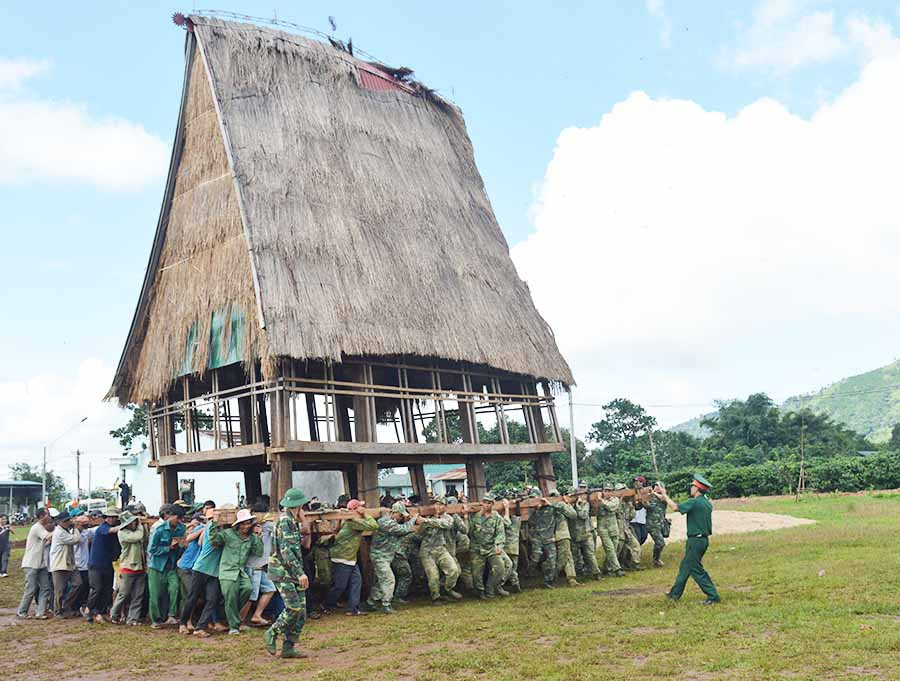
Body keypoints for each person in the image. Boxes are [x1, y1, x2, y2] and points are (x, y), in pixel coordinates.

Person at [653, 475, 721, 604]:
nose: (691, 488)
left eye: (693, 486)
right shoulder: (706, 502)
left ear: (697, 489)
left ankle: (713, 596)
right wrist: (664, 497)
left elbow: (675, 508)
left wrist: (665, 495)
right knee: (685, 567)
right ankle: (674, 594)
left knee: (696, 569)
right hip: (702, 540)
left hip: (695, 540)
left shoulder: (695, 502)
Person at [265, 488, 310, 659]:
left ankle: (288, 646)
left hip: (291, 571)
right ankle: (273, 632)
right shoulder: (286, 522)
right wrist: (300, 573)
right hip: (283, 572)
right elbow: (286, 550)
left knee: (302, 612)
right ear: (298, 505)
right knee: (293, 608)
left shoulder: (290, 520)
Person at [208, 508, 263, 634]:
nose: (246, 526)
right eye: (243, 523)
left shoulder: (252, 538)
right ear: (238, 524)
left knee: (248, 589)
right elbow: (214, 541)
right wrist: (214, 524)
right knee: (231, 597)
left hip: (241, 572)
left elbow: (258, 552)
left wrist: (259, 536)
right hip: (227, 571)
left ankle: (228, 613)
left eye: (248, 523)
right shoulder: (228, 534)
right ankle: (234, 627)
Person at [180, 506, 229, 637]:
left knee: (212, 600)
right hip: (201, 569)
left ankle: (200, 627)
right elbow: (211, 541)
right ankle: (183, 623)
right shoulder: (211, 530)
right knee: (192, 597)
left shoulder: (221, 532)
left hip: (213, 572)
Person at [324, 499, 378, 616]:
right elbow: (374, 525)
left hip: (349, 557)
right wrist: (365, 514)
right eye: (359, 507)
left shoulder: (348, 519)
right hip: (343, 557)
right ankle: (327, 604)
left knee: (356, 582)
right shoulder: (353, 522)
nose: (362, 509)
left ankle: (353, 608)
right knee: (340, 586)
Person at [366, 501, 416, 613]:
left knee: (380, 580)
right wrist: (414, 518)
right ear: (395, 513)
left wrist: (407, 518)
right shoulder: (386, 522)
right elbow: (404, 529)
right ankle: (386, 604)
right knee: (388, 579)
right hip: (380, 556)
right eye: (400, 515)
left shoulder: (391, 521)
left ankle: (371, 602)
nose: (401, 517)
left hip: (387, 555)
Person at [416, 497, 462, 603]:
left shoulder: (448, 518)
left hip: (441, 549)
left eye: (441, 504)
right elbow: (420, 532)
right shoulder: (428, 517)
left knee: (453, 570)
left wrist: (427, 521)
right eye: (436, 504)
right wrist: (424, 523)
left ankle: (447, 589)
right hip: (427, 551)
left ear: (445, 507)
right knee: (433, 576)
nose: (438, 507)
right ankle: (436, 597)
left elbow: (446, 524)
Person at [147, 504, 185, 628]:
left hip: (172, 566)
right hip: (157, 567)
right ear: (170, 516)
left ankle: (172, 615)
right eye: (177, 518)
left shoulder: (181, 529)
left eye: (181, 519)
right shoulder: (159, 530)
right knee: (155, 594)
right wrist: (168, 548)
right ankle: (156, 620)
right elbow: (152, 549)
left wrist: (180, 546)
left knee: (175, 588)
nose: (179, 521)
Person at [467, 493, 509, 599]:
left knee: (500, 567)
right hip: (477, 548)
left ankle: (490, 588)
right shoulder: (475, 517)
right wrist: (465, 516)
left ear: (492, 504)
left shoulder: (496, 517)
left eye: (489, 503)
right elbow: (469, 531)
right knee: (476, 572)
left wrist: (499, 545)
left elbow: (500, 532)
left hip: (491, 547)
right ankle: (480, 592)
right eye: (484, 502)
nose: (486, 505)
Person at [109, 510, 147, 626]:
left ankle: (132, 619)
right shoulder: (122, 532)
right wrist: (141, 524)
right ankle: (114, 614)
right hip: (127, 567)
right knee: (123, 594)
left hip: (140, 566)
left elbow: (143, 538)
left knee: (138, 595)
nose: (135, 523)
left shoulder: (136, 531)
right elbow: (138, 536)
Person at [85, 508, 121, 623]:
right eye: (109, 517)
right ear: (105, 518)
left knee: (106, 589)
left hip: (107, 563)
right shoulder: (103, 528)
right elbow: (111, 530)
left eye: (114, 517)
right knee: (97, 588)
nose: (111, 519)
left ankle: (100, 612)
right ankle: (89, 609)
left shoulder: (114, 532)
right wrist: (125, 525)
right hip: (96, 563)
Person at [18, 508, 53, 619]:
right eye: (48, 515)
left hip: (40, 564)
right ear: (42, 516)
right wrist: (60, 529)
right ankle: (22, 611)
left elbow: (46, 541)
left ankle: (40, 612)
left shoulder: (41, 528)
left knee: (45, 588)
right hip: (31, 564)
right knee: (31, 589)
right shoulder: (37, 527)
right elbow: (48, 536)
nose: (49, 517)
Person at [245, 505, 277, 626]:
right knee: (251, 596)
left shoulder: (266, 525)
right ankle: (239, 622)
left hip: (260, 566)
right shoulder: (252, 527)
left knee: (270, 589)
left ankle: (256, 615)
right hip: (253, 567)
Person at [48, 511, 81, 616]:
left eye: (68, 520)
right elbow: (76, 539)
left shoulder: (65, 530)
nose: (68, 522)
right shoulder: (59, 532)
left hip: (69, 563)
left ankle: (65, 604)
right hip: (59, 564)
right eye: (65, 521)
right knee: (59, 590)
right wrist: (75, 528)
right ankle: (58, 611)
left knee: (78, 583)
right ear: (59, 522)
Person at [570, 486, 601, 581]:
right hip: (574, 535)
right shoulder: (569, 506)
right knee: (575, 557)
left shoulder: (584, 504)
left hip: (585, 534)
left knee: (590, 555)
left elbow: (583, 515)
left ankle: (596, 573)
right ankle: (579, 574)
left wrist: (578, 505)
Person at [596, 484, 625, 577]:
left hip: (613, 527)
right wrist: (600, 500)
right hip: (603, 528)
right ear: (603, 491)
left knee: (614, 548)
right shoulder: (597, 501)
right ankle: (617, 569)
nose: (607, 493)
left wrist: (602, 500)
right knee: (610, 549)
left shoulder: (615, 500)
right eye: (606, 490)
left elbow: (612, 507)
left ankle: (606, 567)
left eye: (609, 491)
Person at [500, 496, 522, 593]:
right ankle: (515, 583)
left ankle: (501, 584)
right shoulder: (517, 523)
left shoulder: (505, 522)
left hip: (506, 547)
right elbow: (518, 514)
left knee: (507, 568)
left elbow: (507, 522)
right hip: (514, 548)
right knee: (513, 568)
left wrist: (506, 508)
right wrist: (517, 504)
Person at [646, 482, 669, 567]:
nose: (657, 488)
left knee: (660, 542)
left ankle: (656, 559)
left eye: (659, 487)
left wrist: (654, 493)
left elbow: (664, 498)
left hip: (661, 524)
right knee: (660, 543)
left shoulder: (663, 497)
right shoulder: (650, 497)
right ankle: (656, 560)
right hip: (652, 525)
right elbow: (646, 505)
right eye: (656, 486)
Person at [631, 476, 649, 545]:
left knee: (644, 536)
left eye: (637, 481)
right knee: (638, 536)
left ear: (642, 483)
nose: (636, 483)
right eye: (635, 482)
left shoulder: (645, 492)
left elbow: (647, 505)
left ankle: (636, 549)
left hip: (642, 519)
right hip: (633, 520)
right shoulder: (631, 492)